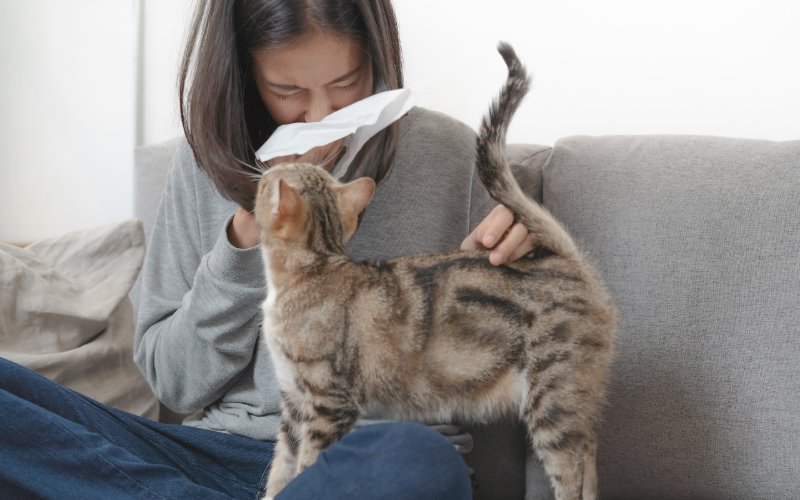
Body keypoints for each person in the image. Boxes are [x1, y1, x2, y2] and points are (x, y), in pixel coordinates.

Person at [1, 0, 535, 497]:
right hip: (208, 453)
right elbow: (175, 384)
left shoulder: (451, 152)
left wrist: (507, 278)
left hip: (359, 457)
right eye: (288, 91)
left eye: (347, 81)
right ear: (247, 74)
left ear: (377, 54)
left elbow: (507, 368)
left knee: (417, 458)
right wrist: (242, 243)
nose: (320, 115)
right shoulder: (199, 168)